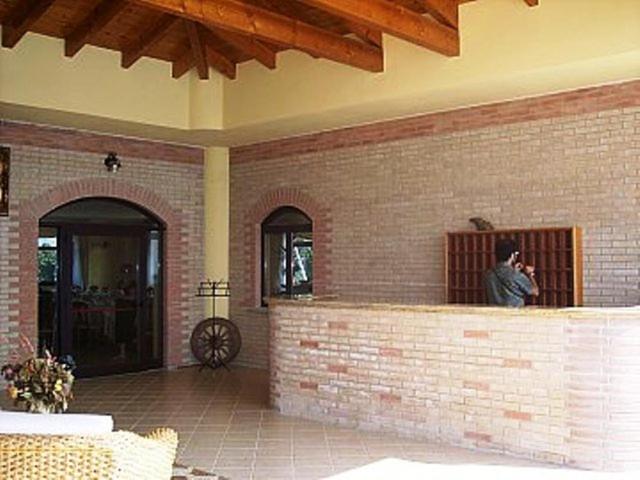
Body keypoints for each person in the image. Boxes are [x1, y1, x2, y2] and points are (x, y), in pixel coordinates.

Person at [485, 238, 539, 307]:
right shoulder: (516, 275)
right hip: (514, 312)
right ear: (512, 255)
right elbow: (535, 292)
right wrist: (530, 274)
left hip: (493, 312)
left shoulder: (488, 274)